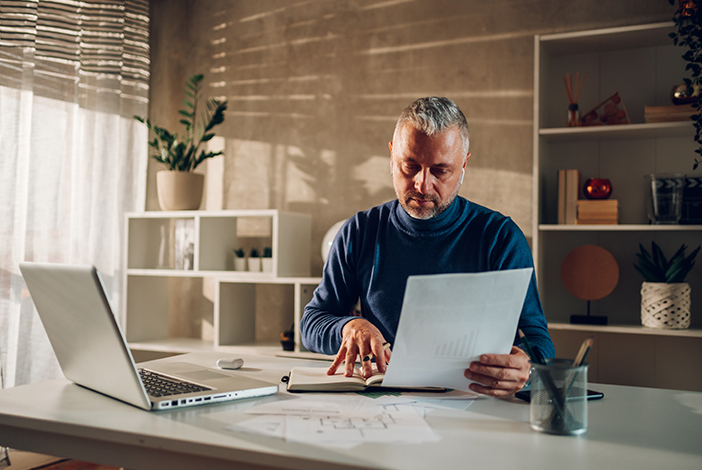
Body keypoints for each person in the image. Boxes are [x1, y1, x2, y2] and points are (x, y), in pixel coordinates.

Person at [300, 97, 554, 397]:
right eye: (410, 166)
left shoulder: (500, 237)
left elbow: (537, 339)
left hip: (477, 404)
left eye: (440, 171)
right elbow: (312, 322)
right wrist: (349, 326)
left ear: (463, 165)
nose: (422, 184)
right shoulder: (359, 231)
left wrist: (528, 365)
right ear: (392, 155)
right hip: (384, 402)